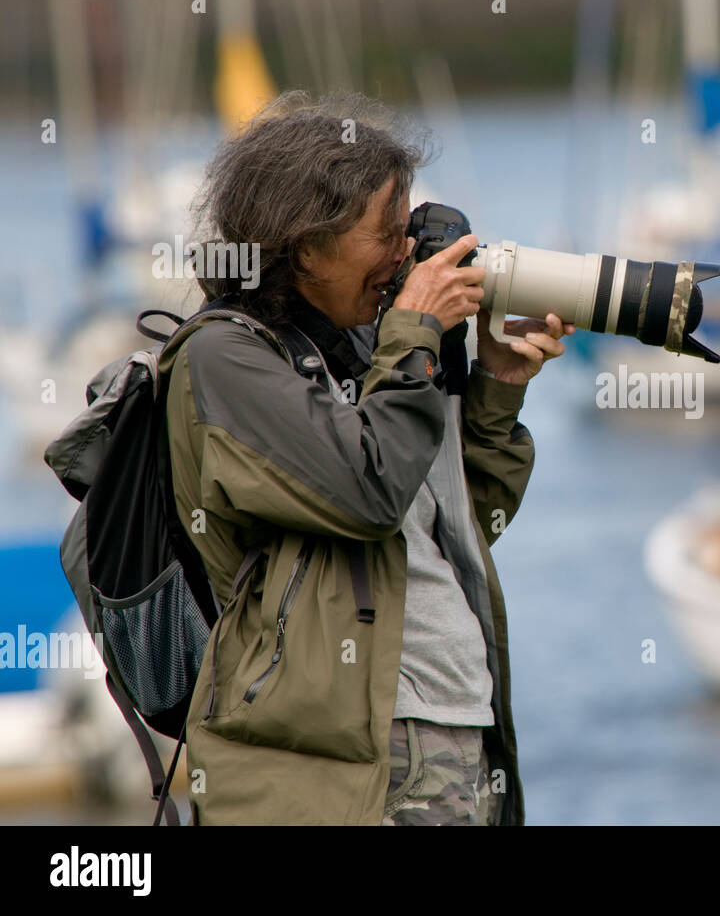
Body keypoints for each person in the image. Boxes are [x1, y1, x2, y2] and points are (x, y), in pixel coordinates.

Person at [158, 91, 571, 825]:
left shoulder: (364, 352)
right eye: (386, 234)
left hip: (449, 733)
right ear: (306, 245)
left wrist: (496, 387)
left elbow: (467, 526)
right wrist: (412, 330)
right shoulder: (224, 360)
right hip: (346, 766)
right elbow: (365, 492)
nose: (406, 255)